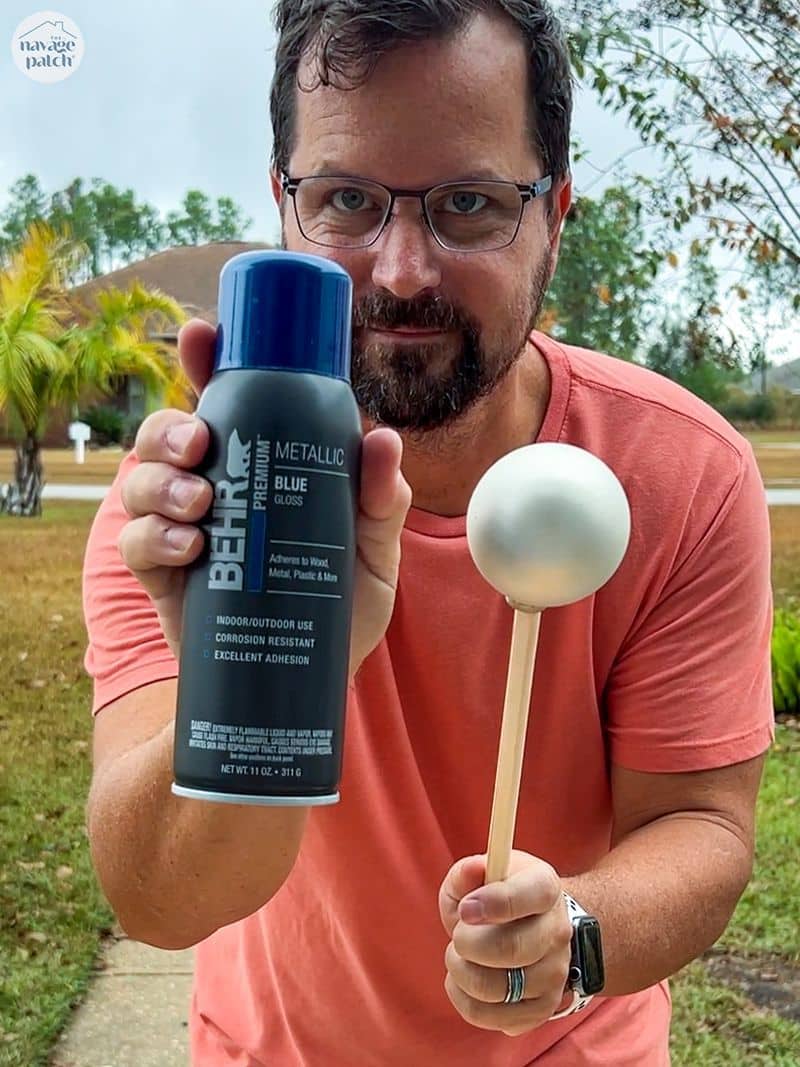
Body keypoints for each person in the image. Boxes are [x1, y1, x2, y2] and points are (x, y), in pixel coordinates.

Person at [82, 2, 774, 1064]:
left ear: (555, 212)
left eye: (468, 204)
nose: (401, 270)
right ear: (283, 206)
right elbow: (162, 904)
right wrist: (261, 667)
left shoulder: (678, 474)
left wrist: (572, 937)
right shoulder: (190, 499)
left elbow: (701, 827)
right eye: (345, 199)